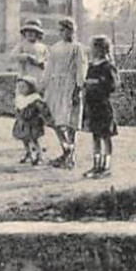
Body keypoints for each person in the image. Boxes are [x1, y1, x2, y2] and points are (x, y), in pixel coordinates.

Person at [43, 16, 88, 169]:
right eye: (62, 30)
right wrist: (44, 85)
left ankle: (71, 156)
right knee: (55, 120)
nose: (65, 33)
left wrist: (78, 88)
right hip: (56, 86)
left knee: (70, 122)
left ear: (73, 31)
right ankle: (66, 150)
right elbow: (49, 68)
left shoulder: (78, 48)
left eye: (68, 30)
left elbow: (81, 69)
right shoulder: (54, 48)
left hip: (70, 86)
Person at [83, 34, 119, 178]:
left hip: (103, 105)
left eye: (93, 48)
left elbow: (113, 85)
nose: (91, 50)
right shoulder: (91, 66)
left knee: (106, 136)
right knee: (95, 136)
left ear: (100, 49)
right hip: (92, 105)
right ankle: (96, 165)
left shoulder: (108, 66)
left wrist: (97, 84)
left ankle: (107, 166)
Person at [12, 75, 51, 165]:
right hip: (22, 122)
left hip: (33, 122)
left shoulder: (35, 98)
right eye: (19, 87)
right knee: (24, 140)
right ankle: (28, 153)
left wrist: (44, 117)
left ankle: (38, 156)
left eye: (24, 87)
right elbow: (17, 109)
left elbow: (42, 109)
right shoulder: (20, 98)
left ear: (30, 88)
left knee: (33, 140)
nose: (21, 89)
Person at [10, 18, 49, 95]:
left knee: (38, 98)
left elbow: (49, 61)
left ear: (38, 34)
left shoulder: (43, 47)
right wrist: (26, 57)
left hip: (39, 77)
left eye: (33, 32)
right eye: (28, 31)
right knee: (24, 99)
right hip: (25, 76)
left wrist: (42, 63)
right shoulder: (22, 45)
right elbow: (12, 57)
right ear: (24, 33)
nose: (30, 34)